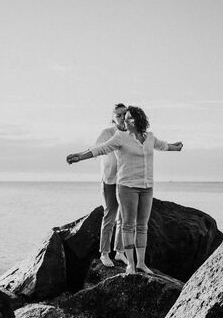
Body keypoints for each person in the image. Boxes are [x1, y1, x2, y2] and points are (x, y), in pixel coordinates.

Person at [67, 105, 183, 274]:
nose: (124, 120)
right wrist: (79, 156)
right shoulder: (119, 136)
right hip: (123, 184)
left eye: (127, 117)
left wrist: (175, 147)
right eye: (121, 116)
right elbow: (99, 149)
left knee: (141, 226)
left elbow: (162, 145)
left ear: (137, 120)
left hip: (146, 186)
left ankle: (138, 262)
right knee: (122, 222)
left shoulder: (149, 137)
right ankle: (123, 261)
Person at [94, 103, 128, 268]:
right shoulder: (106, 133)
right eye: (118, 115)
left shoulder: (130, 134)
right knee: (110, 216)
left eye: (124, 114)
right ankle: (104, 253)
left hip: (125, 181)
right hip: (109, 180)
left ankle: (120, 252)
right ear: (113, 118)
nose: (122, 117)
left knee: (124, 217)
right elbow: (94, 150)